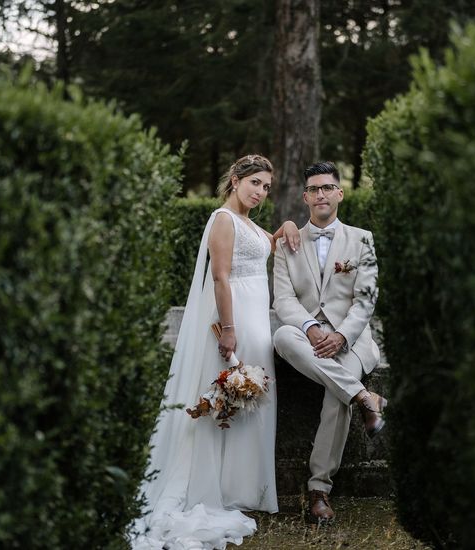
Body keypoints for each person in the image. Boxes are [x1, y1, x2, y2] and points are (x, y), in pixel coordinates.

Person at [132, 154, 300, 549]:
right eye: (254, 183)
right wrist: (228, 329)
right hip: (234, 318)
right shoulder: (222, 220)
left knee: (251, 401)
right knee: (225, 400)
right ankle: (214, 487)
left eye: (266, 187)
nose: (259, 192)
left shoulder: (249, 224)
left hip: (258, 319)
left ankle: (240, 486)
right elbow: (222, 275)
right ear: (236, 179)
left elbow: (258, 252)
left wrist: (284, 228)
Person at [272, 161, 386, 525]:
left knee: (335, 397)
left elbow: (366, 298)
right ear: (305, 197)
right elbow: (284, 300)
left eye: (327, 187)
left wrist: (341, 335)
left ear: (340, 193)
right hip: (304, 337)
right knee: (280, 335)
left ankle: (318, 489)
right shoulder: (287, 243)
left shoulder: (362, 239)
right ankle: (365, 396)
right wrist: (309, 327)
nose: (320, 194)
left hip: (350, 341)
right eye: (314, 189)